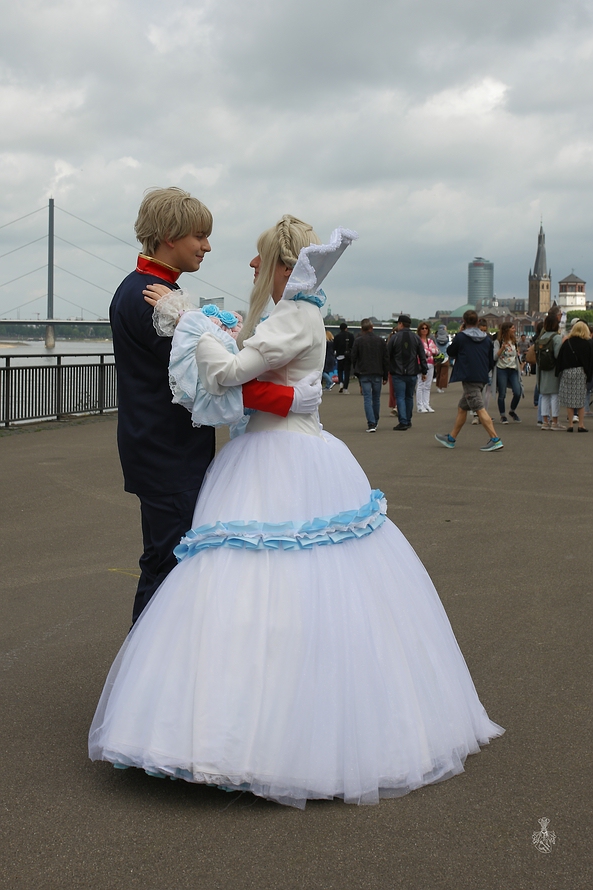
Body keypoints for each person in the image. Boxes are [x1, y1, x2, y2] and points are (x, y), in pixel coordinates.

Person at [89, 216, 503, 809]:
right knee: (299, 584)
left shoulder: (292, 314)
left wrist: (192, 321)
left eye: (261, 260)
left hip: (276, 455)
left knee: (255, 581)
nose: (251, 268)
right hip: (287, 446)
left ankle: (250, 726)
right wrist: (280, 385)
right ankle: (279, 717)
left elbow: (229, 374)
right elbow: (259, 378)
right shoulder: (301, 311)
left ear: (286, 265)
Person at [110, 188, 322, 624]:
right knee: (171, 564)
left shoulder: (149, 290)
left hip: (159, 448)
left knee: (169, 559)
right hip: (167, 453)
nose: (207, 246)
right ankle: (148, 669)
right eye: (199, 236)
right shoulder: (156, 299)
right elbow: (205, 384)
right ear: (170, 235)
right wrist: (289, 398)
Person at [435, 309, 503, 452]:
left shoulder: (461, 337)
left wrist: (460, 333)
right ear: (478, 321)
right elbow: (491, 360)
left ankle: (495, 438)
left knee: (479, 408)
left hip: (468, 376)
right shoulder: (486, 338)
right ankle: (451, 438)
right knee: (462, 407)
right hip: (482, 375)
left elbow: (450, 352)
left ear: (464, 322)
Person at [388, 314, 427, 430]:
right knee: (409, 396)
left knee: (400, 397)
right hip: (412, 372)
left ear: (400, 324)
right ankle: (408, 419)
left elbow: (388, 354)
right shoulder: (416, 338)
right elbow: (422, 355)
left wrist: (388, 369)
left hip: (398, 372)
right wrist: (424, 370)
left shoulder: (395, 338)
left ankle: (403, 421)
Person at [350, 318, 388, 431]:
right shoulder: (381, 341)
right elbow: (385, 359)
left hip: (364, 372)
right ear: (372, 328)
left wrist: (356, 371)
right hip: (377, 372)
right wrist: (385, 375)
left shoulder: (358, 341)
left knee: (367, 398)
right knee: (376, 398)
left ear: (362, 328)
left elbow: (353, 357)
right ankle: (375, 421)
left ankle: (371, 423)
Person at [556, 321, 593, 432]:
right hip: (581, 372)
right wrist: (589, 375)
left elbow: (560, 358)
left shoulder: (567, 343)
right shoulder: (588, 344)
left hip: (568, 372)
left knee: (569, 399)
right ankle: (581, 425)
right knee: (580, 400)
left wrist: (558, 372)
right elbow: (590, 361)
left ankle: (571, 424)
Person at [535, 313, 564, 430]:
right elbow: (558, 355)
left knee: (545, 395)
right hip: (554, 370)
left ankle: (545, 421)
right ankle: (555, 422)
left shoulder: (541, 338)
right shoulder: (556, 337)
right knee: (554, 395)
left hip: (542, 370)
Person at [493, 322, 522, 424]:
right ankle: (503, 415)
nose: (514, 330)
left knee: (518, 392)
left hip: (513, 369)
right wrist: (502, 348)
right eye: (512, 328)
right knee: (502, 393)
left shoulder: (514, 341)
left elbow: (515, 356)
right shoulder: (498, 341)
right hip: (502, 369)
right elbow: (494, 357)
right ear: (507, 330)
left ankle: (512, 411)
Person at [415, 322, 438, 413]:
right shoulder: (418, 341)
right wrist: (429, 351)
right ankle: (420, 405)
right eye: (422, 328)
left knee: (428, 385)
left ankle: (426, 404)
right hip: (421, 364)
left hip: (431, 363)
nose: (424, 330)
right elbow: (422, 352)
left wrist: (428, 351)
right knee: (421, 384)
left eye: (426, 328)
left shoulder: (430, 341)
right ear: (419, 330)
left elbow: (436, 351)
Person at [333, 322, 354, 393]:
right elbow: (353, 346)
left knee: (340, 371)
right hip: (348, 356)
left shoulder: (336, 336)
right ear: (346, 328)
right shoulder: (350, 336)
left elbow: (334, 347)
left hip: (339, 356)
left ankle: (341, 382)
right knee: (347, 372)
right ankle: (345, 388)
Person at [433, 324, 450, 392]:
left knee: (438, 372)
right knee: (444, 373)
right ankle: (441, 387)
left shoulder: (436, 337)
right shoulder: (447, 337)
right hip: (445, 357)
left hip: (438, 357)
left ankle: (438, 385)